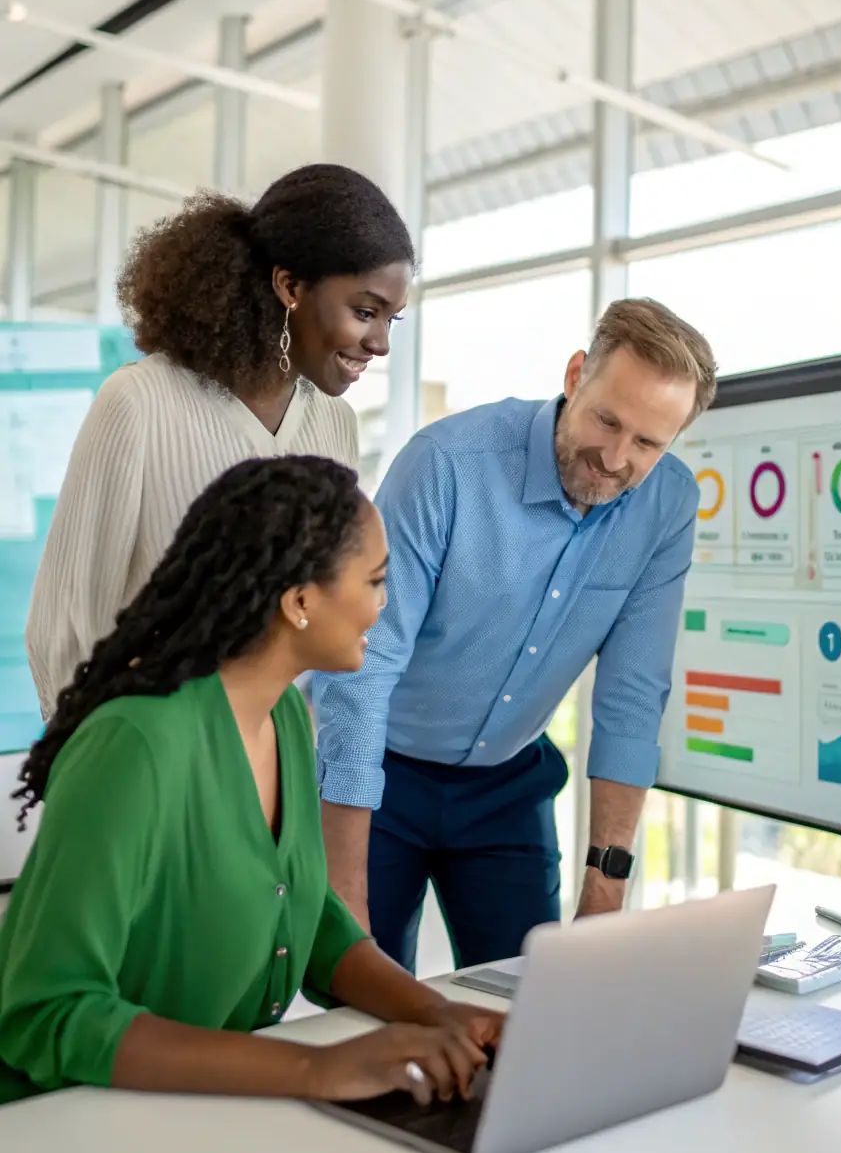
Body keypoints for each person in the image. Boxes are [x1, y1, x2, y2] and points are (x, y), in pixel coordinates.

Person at [0, 456, 502, 1106]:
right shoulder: (134, 746)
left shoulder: (286, 716)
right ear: (299, 602)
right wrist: (313, 1069)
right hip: (65, 1132)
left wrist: (437, 1013)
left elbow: (310, 916)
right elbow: (47, 1007)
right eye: (376, 580)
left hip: (206, 1118)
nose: (386, 603)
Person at [315, 298, 718, 972]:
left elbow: (632, 695)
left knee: (537, 998)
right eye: (606, 420)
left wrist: (605, 888)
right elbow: (365, 668)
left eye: (647, 443)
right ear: (575, 376)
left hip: (507, 781)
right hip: (380, 769)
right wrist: (345, 890)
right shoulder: (447, 463)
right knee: (361, 997)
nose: (615, 458)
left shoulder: (667, 505)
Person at [26, 163, 414, 719]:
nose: (379, 343)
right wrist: (95, 758)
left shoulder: (334, 425)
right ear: (290, 287)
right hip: (154, 752)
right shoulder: (139, 403)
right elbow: (64, 626)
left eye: (391, 320)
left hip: (273, 750)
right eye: (364, 311)